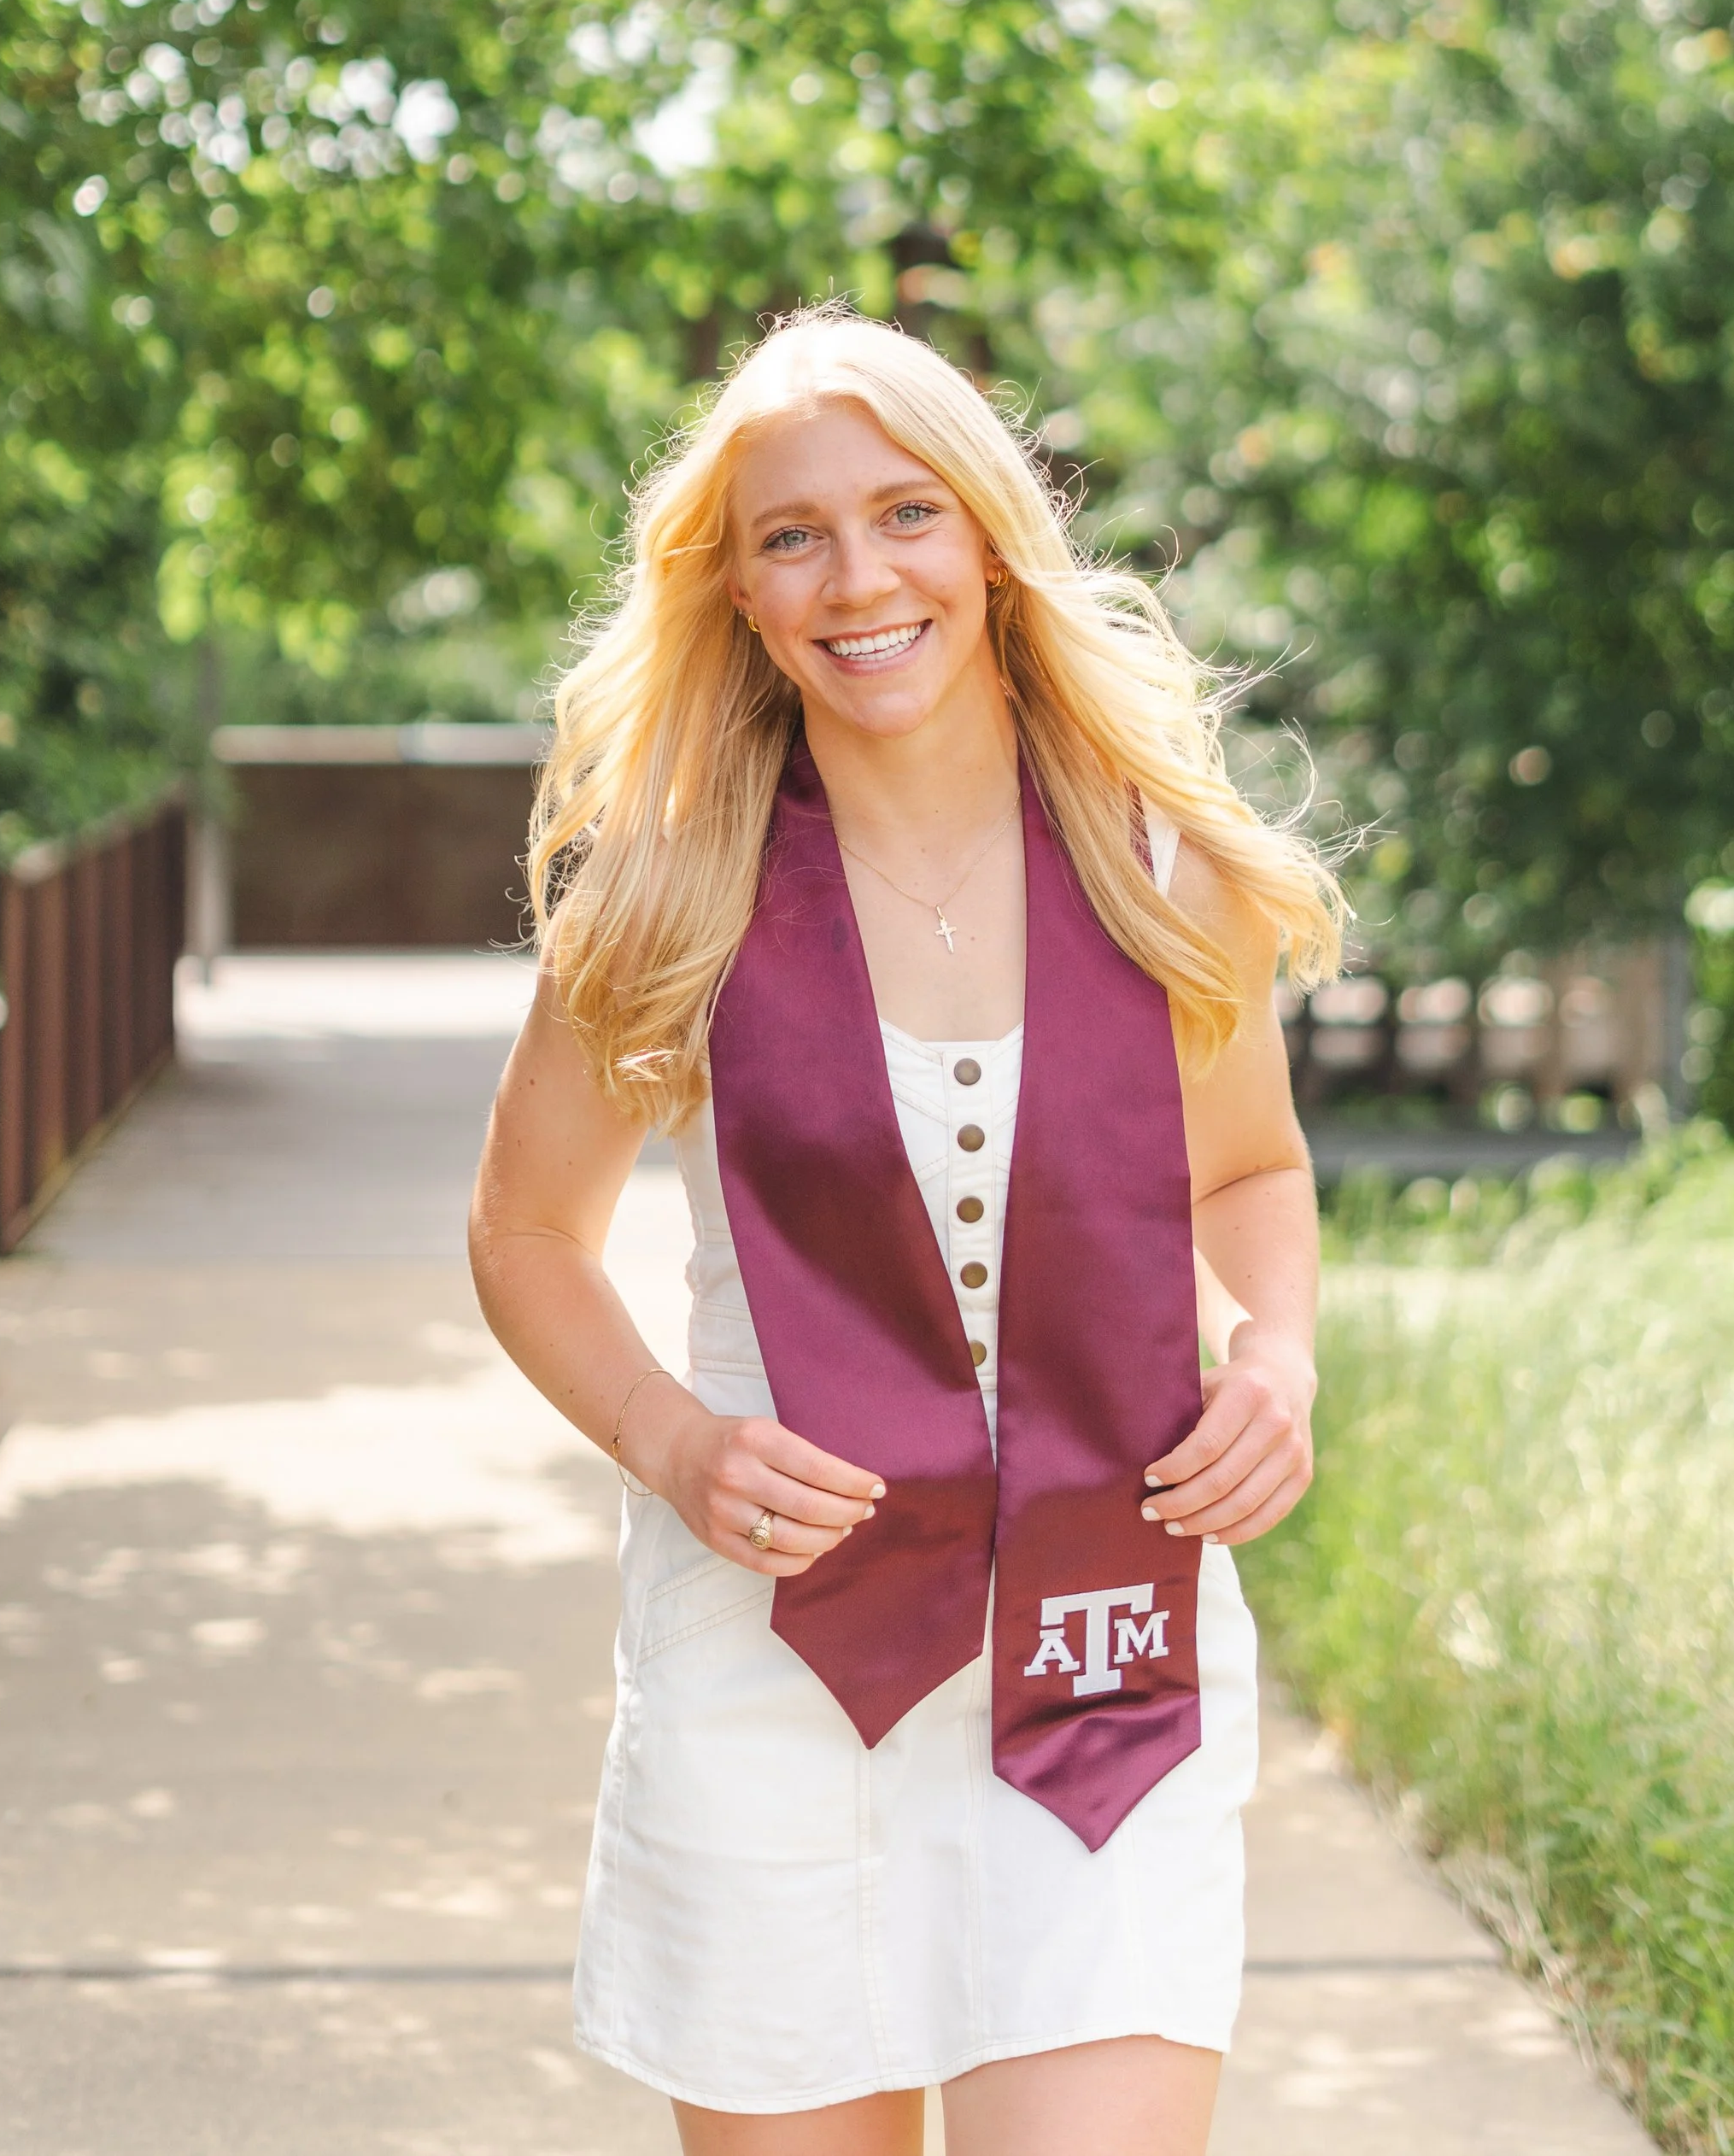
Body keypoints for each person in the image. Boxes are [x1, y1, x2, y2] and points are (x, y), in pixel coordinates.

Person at [469, 308, 1342, 2156]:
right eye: (791, 536)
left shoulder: (1153, 860)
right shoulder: (670, 892)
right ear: (739, 591)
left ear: (990, 539)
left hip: (1102, 1654)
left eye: (906, 513)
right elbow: (526, 1232)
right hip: (778, 1658)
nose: (857, 576)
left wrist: (1276, 1352)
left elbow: (1250, 1174)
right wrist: (669, 1441)